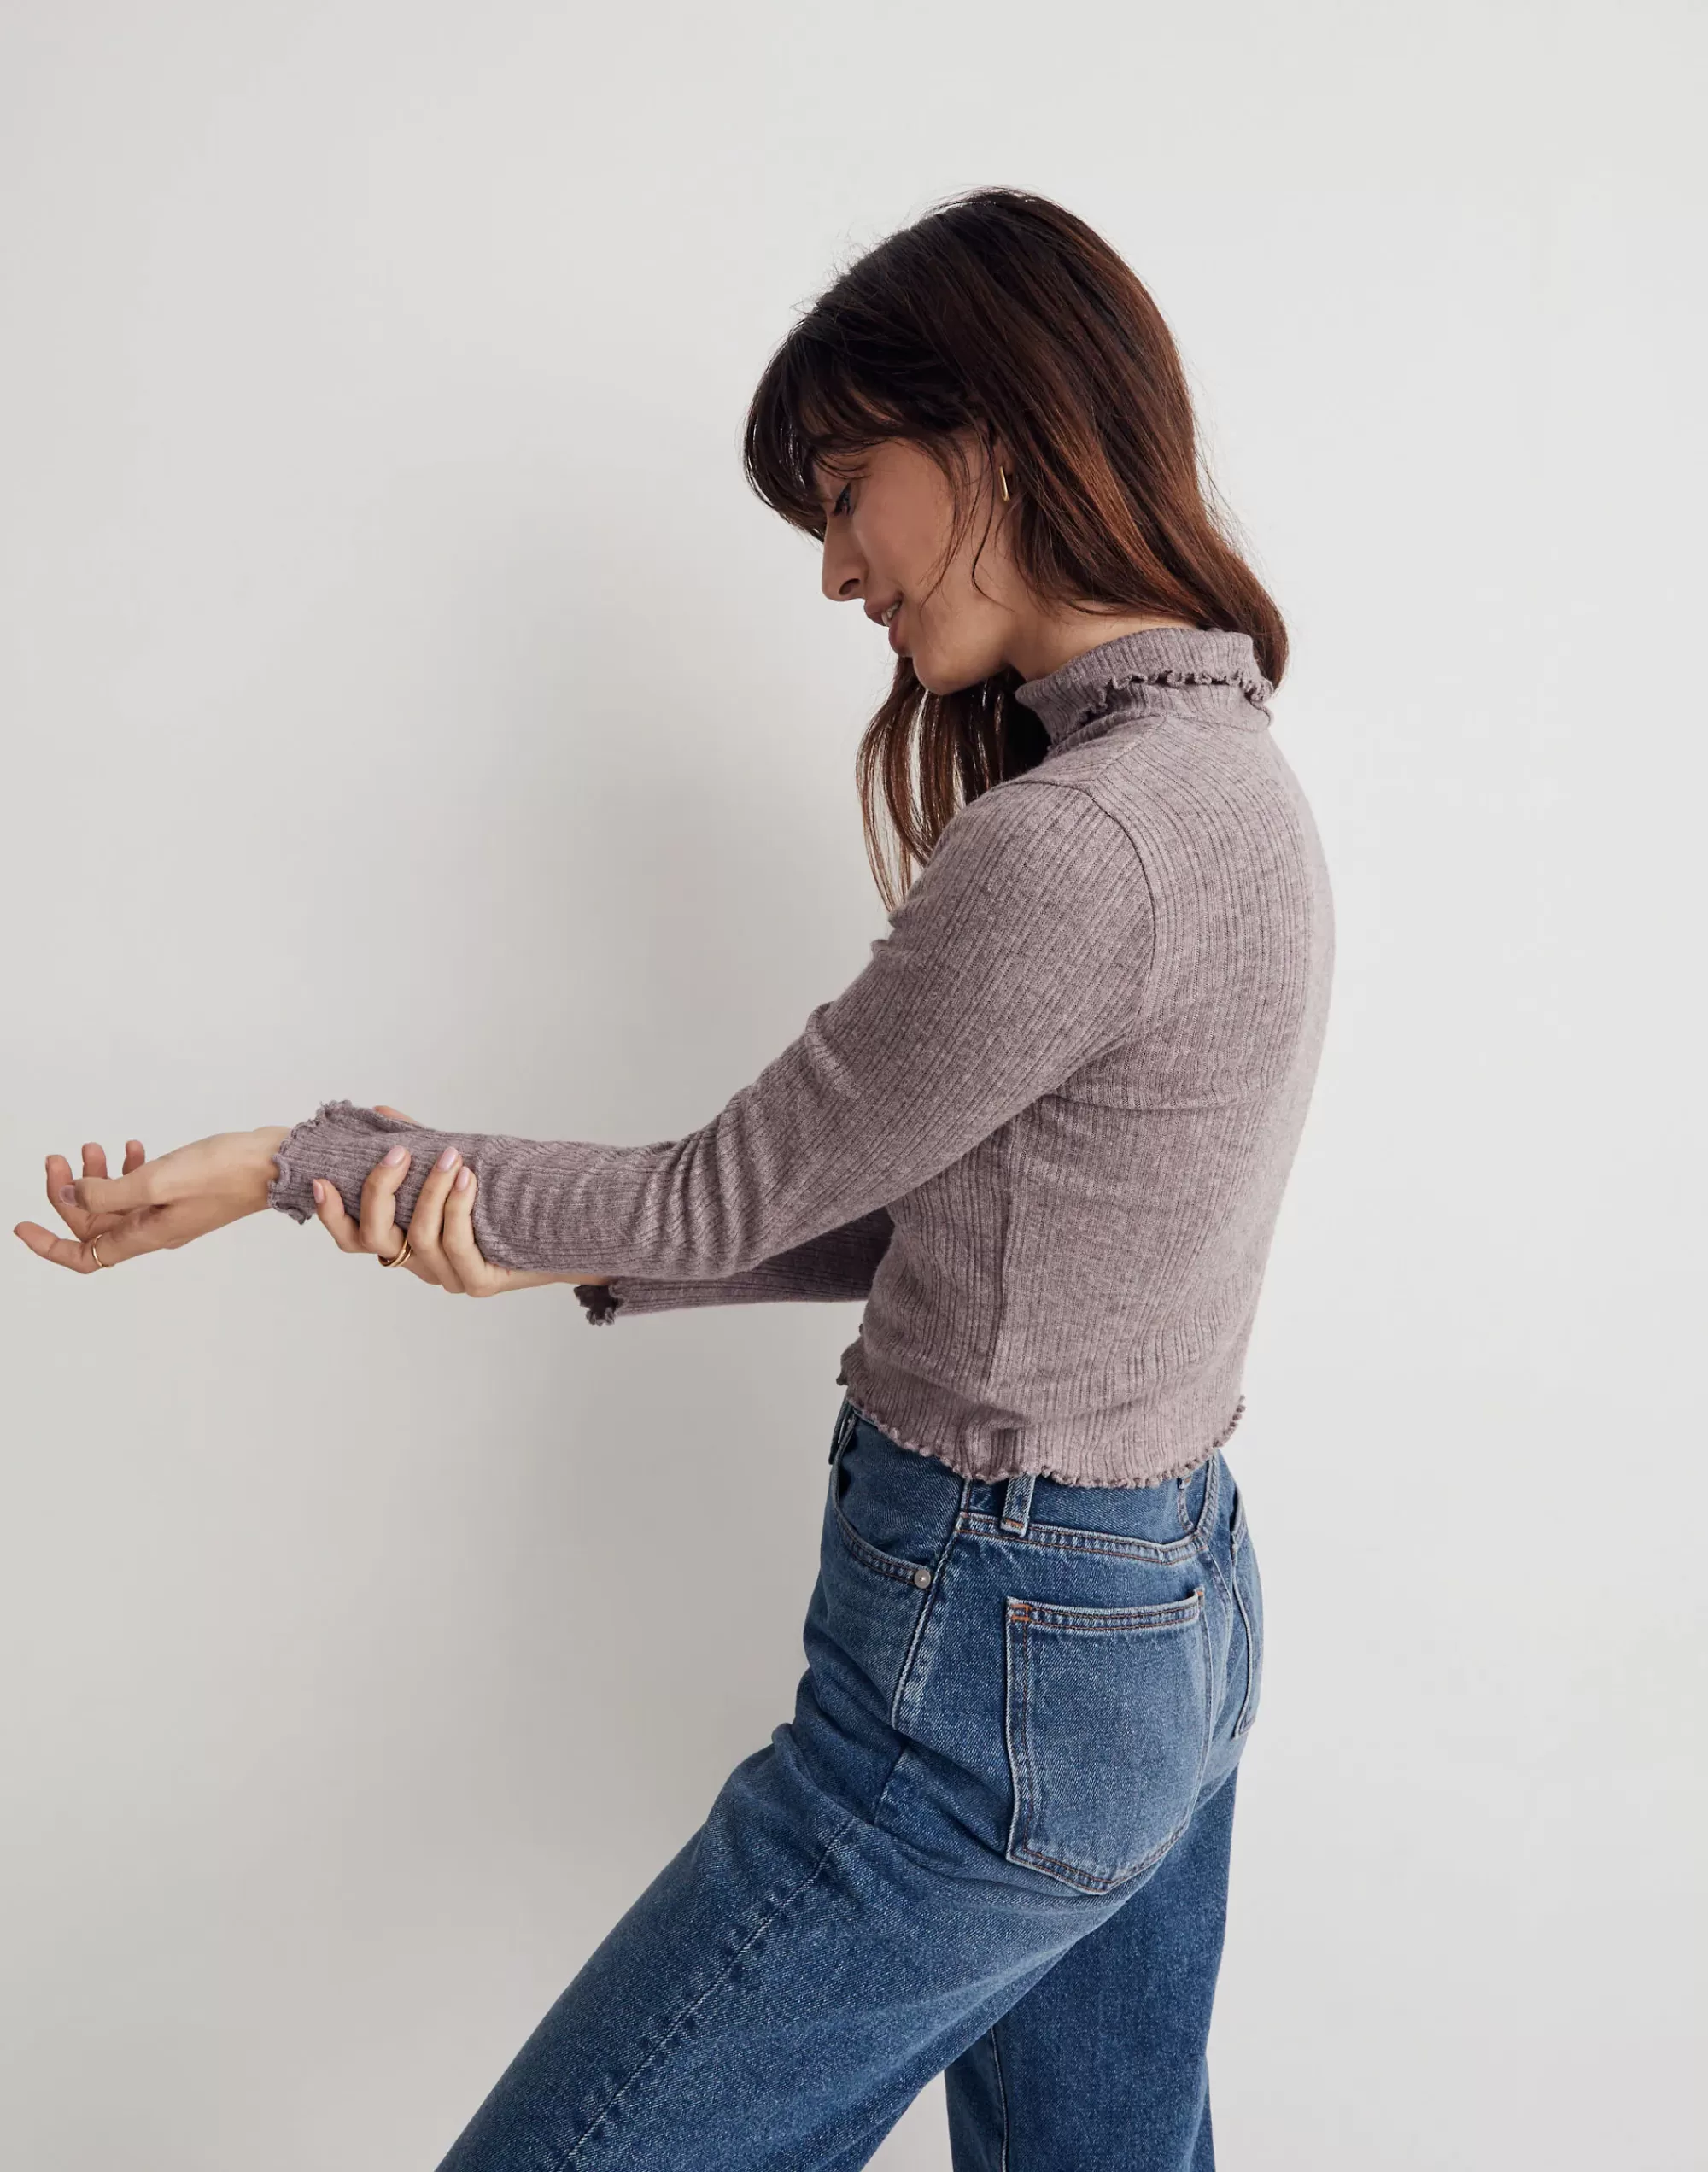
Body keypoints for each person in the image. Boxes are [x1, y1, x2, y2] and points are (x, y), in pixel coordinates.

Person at [16, 187, 1334, 2169]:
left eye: (841, 489)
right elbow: (963, 1226)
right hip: (1156, 1615)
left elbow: (720, 1185)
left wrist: (303, 1163)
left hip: (989, 1670)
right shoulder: (1231, 784)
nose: (831, 575)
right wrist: (561, 1264)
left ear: (992, 426)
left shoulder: (1080, 846)